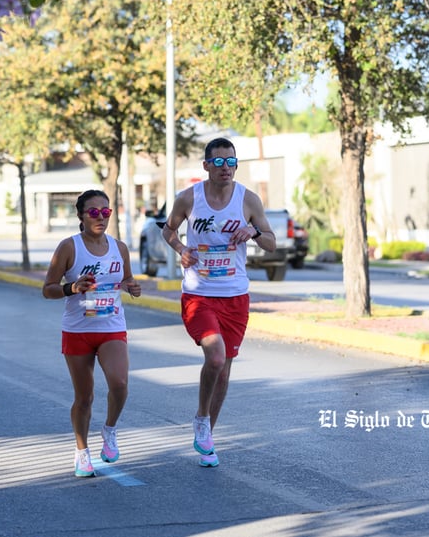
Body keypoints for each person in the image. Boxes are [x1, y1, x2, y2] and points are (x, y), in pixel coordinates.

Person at [161, 137, 276, 468]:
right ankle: (201, 417)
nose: (226, 168)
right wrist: (182, 250)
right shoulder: (189, 198)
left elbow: (271, 243)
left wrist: (253, 233)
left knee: (224, 371)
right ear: (206, 166)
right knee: (215, 357)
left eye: (231, 162)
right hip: (199, 293)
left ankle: (207, 436)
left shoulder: (248, 199)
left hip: (235, 296)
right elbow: (168, 231)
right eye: (219, 162)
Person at [42, 189, 142, 478]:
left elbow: (126, 279)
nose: (100, 217)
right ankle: (82, 452)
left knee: (120, 383)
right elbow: (47, 289)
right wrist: (71, 288)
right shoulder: (69, 247)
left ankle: (109, 429)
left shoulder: (119, 248)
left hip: (111, 325)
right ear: (81, 216)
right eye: (93, 212)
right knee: (84, 397)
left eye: (106, 212)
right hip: (77, 331)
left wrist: (132, 287)